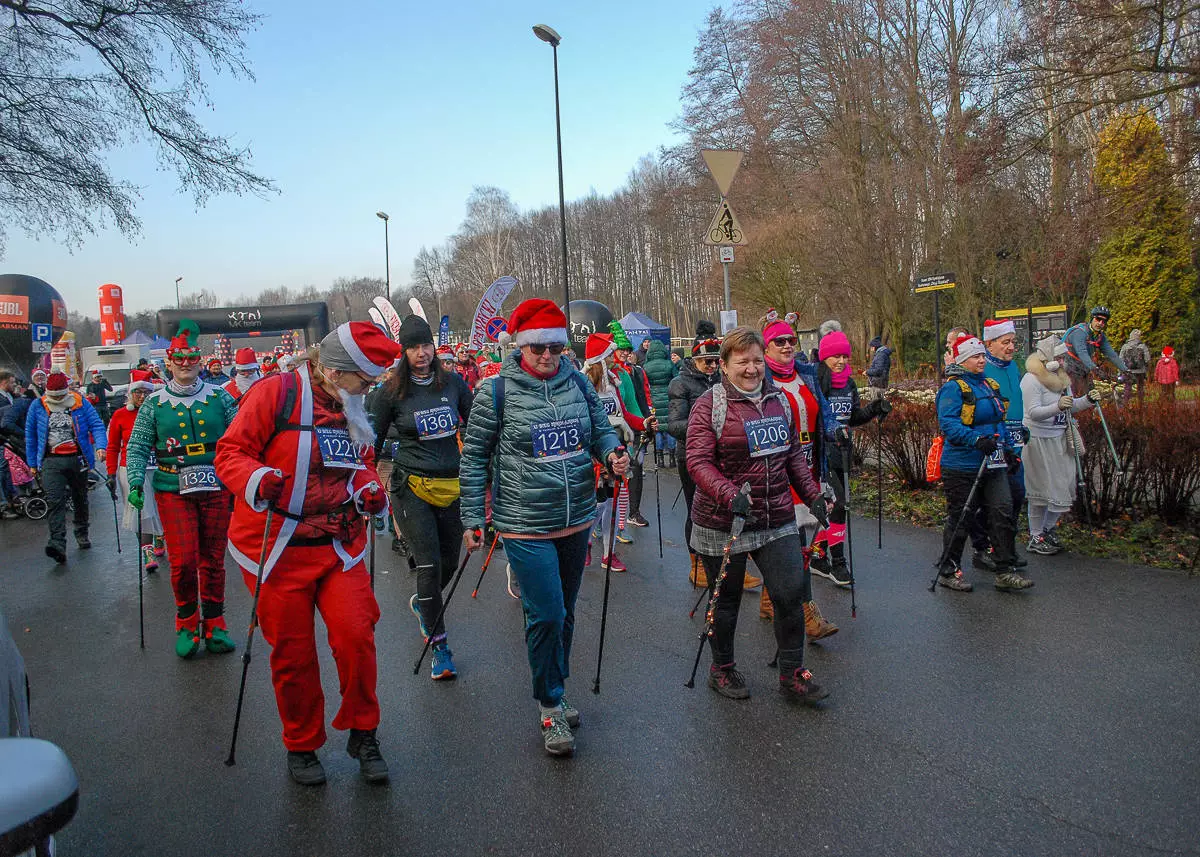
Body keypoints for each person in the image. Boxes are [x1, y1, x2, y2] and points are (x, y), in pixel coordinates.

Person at [215, 321, 398, 785]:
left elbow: (361, 464)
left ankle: (364, 731)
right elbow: (230, 454)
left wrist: (369, 490)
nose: (371, 387)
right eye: (366, 378)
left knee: (357, 635)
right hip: (276, 550)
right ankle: (301, 744)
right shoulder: (274, 394)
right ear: (336, 372)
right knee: (294, 655)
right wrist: (258, 479)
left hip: (338, 544)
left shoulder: (352, 403)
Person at [460, 298, 628, 757]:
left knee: (567, 612)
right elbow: (474, 457)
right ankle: (549, 705)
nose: (548, 358)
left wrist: (613, 452)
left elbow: (600, 430)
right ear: (520, 348)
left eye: (555, 349)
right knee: (547, 613)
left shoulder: (576, 380)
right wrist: (474, 517)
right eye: (538, 350)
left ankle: (557, 685)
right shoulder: (495, 391)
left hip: (575, 519)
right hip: (524, 523)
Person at [686, 327, 832, 704]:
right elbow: (698, 462)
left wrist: (814, 495)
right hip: (724, 521)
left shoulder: (779, 400)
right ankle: (722, 668)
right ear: (724, 365)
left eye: (756, 361)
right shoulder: (710, 404)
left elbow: (793, 457)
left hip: (776, 516)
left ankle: (792, 673)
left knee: (789, 594)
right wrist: (728, 493)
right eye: (742, 362)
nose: (751, 369)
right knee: (728, 600)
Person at [125, 321, 239, 658]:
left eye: (191, 358)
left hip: (216, 484)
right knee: (184, 561)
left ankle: (215, 623)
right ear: (169, 363)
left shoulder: (221, 396)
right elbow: (138, 446)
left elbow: (241, 439)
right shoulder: (154, 403)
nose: (186, 364)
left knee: (213, 559)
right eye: (179, 359)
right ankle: (187, 623)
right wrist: (134, 481)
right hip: (172, 486)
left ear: (200, 361)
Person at [371, 315, 472, 680]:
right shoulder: (391, 392)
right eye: (413, 347)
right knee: (428, 566)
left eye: (426, 345)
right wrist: (367, 481)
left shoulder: (454, 384)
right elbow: (371, 442)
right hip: (411, 486)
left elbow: (477, 428)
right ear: (404, 351)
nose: (421, 353)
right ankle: (439, 645)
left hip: (452, 484)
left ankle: (424, 603)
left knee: (448, 561)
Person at [934, 335, 1033, 592]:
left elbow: (999, 420)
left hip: (994, 462)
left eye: (981, 355)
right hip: (962, 465)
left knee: (1002, 511)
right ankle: (948, 569)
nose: (981, 360)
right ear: (963, 360)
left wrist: (1009, 450)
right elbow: (949, 425)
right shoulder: (953, 389)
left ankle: (1004, 569)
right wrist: (976, 439)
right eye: (976, 357)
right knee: (961, 518)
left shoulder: (989, 385)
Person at [668, 321, 762, 590]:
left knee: (730, 510)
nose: (710, 367)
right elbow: (674, 425)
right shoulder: (680, 383)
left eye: (714, 362)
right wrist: (708, 426)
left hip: (725, 456)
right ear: (695, 359)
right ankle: (697, 563)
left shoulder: (723, 380)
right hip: (692, 457)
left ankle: (733, 565)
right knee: (696, 511)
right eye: (705, 362)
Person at [761, 318, 840, 636]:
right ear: (766, 347)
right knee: (791, 541)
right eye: (779, 341)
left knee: (796, 537)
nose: (787, 345)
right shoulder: (760, 377)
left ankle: (770, 598)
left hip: (808, 466)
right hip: (775, 469)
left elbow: (826, 412)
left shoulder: (806, 374)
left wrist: (838, 431)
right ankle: (806, 610)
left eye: (790, 340)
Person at [809, 321, 890, 586]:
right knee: (839, 506)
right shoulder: (817, 381)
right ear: (824, 357)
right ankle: (838, 564)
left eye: (845, 356)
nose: (841, 361)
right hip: (821, 455)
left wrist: (876, 408)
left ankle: (818, 557)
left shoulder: (849, 384)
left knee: (833, 507)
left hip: (843, 452)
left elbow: (852, 417)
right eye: (836, 356)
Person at [1020, 335, 1101, 555]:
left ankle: (1047, 530)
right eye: (1059, 357)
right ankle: (1035, 535)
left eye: (1064, 357)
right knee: (1040, 491)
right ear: (1048, 357)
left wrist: (1087, 401)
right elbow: (1033, 412)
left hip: (1059, 440)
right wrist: (1057, 406)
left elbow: (1070, 406)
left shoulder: (1062, 380)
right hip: (1038, 441)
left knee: (1063, 487)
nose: (1063, 361)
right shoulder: (1031, 380)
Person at [25, 372, 107, 563]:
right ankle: (57, 544)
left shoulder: (80, 402)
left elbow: (96, 425)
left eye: (60, 396)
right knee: (55, 501)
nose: (56, 399)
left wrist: (101, 446)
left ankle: (81, 532)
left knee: (80, 498)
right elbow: (31, 436)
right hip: (50, 461)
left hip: (78, 459)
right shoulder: (37, 406)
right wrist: (31, 463)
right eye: (53, 397)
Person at [970, 319, 1029, 572]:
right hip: (994, 443)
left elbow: (1015, 401)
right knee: (994, 501)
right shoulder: (983, 372)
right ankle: (985, 549)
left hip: (1014, 441)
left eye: (1013, 342)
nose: (1011, 347)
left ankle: (1005, 546)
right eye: (1005, 342)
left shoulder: (1014, 367)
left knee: (1016, 496)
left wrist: (1021, 428)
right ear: (989, 344)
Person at [582, 333, 636, 572]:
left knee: (611, 505)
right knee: (599, 504)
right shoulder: (582, 386)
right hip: (593, 454)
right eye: (609, 358)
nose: (614, 362)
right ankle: (585, 542)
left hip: (615, 448)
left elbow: (625, 414)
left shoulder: (613, 383)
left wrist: (645, 424)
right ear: (599, 361)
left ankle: (609, 554)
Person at [105, 372, 164, 570]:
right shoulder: (120, 415)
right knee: (141, 509)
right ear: (130, 394)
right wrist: (111, 473)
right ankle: (147, 552)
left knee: (160, 506)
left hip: (158, 465)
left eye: (146, 392)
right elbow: (113, 446)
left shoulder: (159, 411)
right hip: (130, 468)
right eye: (137, 392)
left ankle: (160, 536)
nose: (142, 396)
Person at [608, 321, 654, 532]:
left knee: (634, 468)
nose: (626, 353)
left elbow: (639, 400)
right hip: (613, 432)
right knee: (613, 478)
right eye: (621, 349)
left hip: (633, 428)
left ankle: (631, 513)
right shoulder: (606, 375)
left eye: (627, 349)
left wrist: (646, 421)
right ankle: (606, 523)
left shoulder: (633, 372)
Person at [1064, 306, 1126, 396]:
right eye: (1098, 319)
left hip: (1082, 368)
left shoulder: (1099, 336)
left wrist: (1126, 371)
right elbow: (1082, 353)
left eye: (1104, 321)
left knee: (1091, 396)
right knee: (1074, 396)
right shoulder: (1080, 332)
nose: (1100, 323)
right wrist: (1095, 369)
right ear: (1092, 319)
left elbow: (1112, 355)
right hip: (1068, 368)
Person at [641, 339, 678, 468]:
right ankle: (672, 458)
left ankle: (660, 459)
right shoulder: (669, 364)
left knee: (657, 429)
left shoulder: (646, 366)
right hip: (668, 398)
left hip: (654, 399)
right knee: (669, 428)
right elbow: (676, 379)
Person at [1118, 329, 1151, 408]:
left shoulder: (1125, 346)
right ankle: (1141, 404)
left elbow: (1120, 359)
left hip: (1128, 371)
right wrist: (1145, 367)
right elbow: (1147, 359)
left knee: (1127, 388)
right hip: (1140, 371)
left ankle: (1125, 404)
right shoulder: (1142, 346)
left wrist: (1120, 372)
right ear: (1138, 337)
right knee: (1140, 388)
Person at [0, 371, 18, 518]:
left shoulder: (10, 396)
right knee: (2, 471)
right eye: (11, 382)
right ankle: (4, 504)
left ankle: (11, 498)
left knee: (6, 470)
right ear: (4, 382)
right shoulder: (1, 399)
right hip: (2, 438)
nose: (14, 385)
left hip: (7, 439)